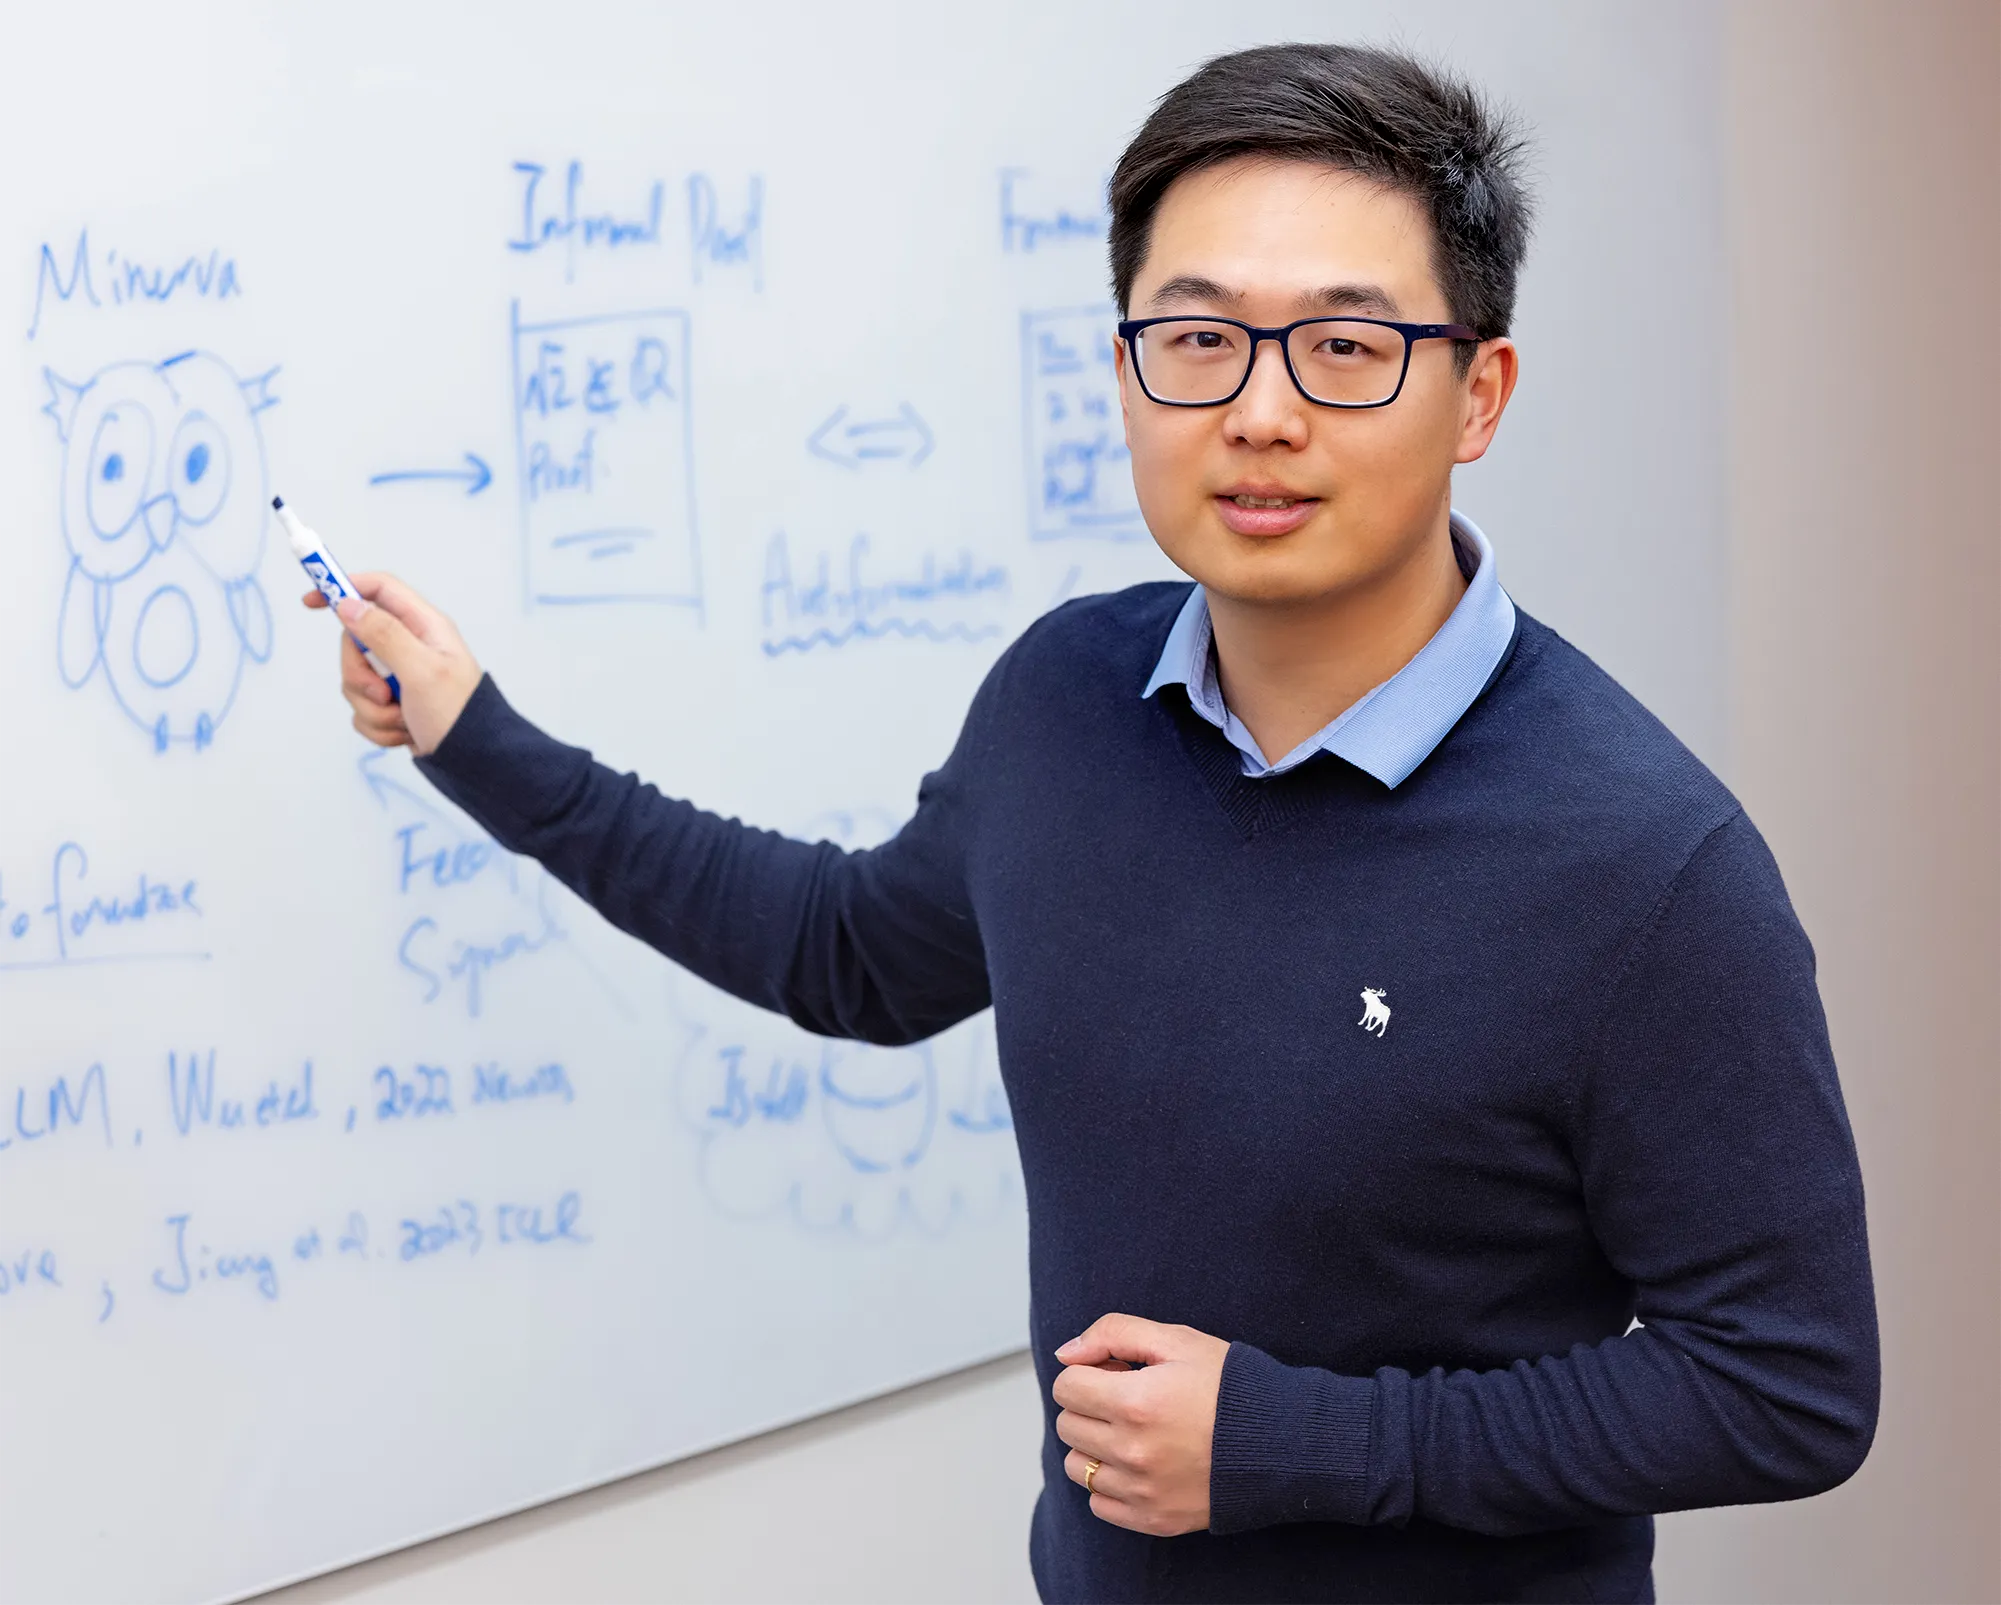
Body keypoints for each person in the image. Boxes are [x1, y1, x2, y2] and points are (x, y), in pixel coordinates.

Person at [308, 42, 1877, 1605]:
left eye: (1344, 349)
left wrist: (1300, 1443)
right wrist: (478, 742)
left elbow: (1787, 1383)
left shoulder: (1642, 863)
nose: (1259, 414)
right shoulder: (1068, 703)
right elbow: (849, 954)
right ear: (1129, 367)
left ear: (1479, 394)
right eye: (1195, 339)